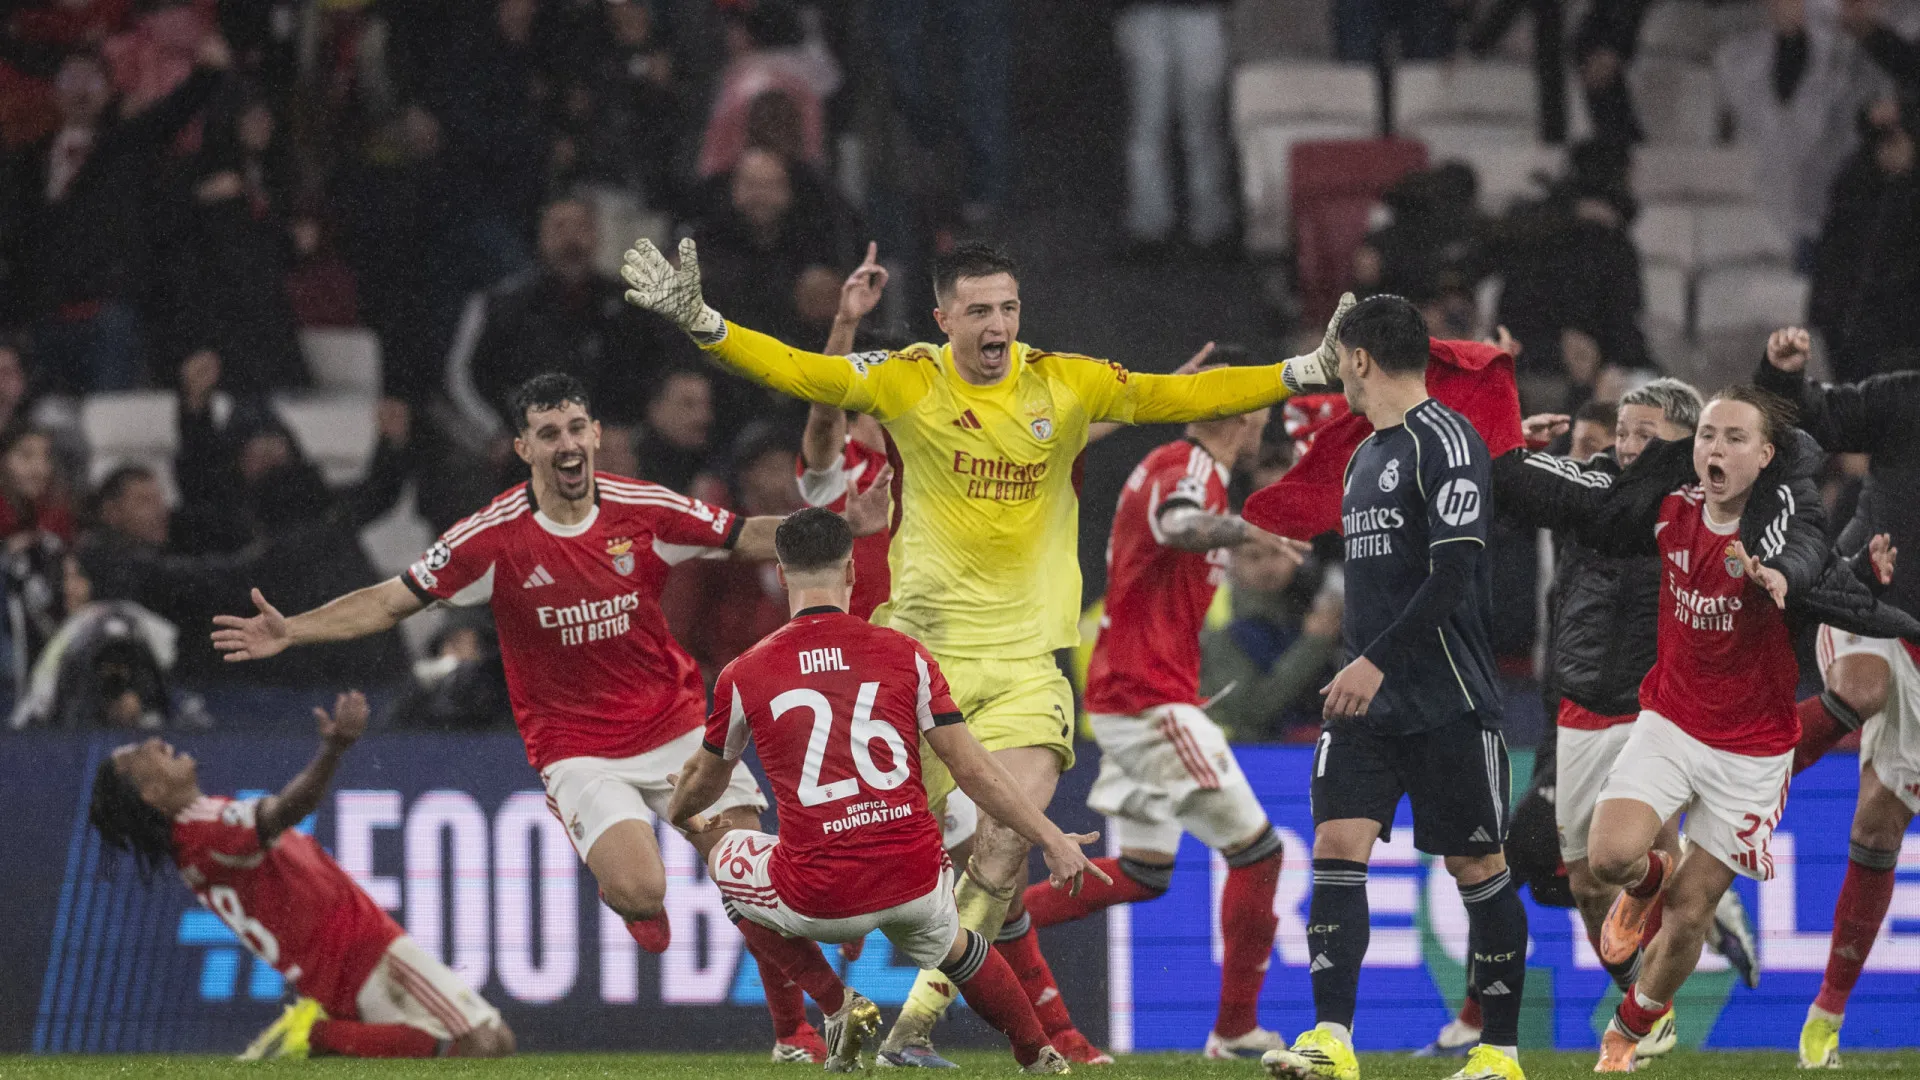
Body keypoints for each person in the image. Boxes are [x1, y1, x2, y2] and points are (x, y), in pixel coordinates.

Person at [622, 234, 1348, 1066]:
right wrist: (704, 323)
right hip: (914, 660)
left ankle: (921, 1025)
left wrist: (1304, 369)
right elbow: (799, 373)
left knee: (1004, 847)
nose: (998, 322)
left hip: (1027, 666)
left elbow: (1174, 393)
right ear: (943, 319)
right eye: (979, 310)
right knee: (878, 869)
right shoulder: (907, 381)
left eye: (1008, 306)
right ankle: (827, 1014)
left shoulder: (1062, 380)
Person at [208, 372, 891, 1061]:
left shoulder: (644, 509)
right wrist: (292, 630)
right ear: (524, 447)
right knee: (642, 890)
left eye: (574, 428)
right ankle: (636, 904)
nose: (566, 444)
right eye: (548, 433)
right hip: (577, 747)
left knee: (748, 871)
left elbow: (748, 536)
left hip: (675, 725)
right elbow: (390, 601)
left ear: (595, 435)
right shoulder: (491, 539)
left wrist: (841, 529)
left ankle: (794, 1035)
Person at [1489, 383, 1920, 1072]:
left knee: (1692, 913)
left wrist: (1818, 577)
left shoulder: (1784, 516)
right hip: (1669, 721)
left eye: (1733, 438)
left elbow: (1818, 564)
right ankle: (1651, 876)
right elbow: (1572, 500)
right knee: (1605, 861)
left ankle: (1629, 1032)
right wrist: (1497, 448)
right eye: (1707, 436)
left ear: (1765, 455)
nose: (1715, 449)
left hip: (1752, 752)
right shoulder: (1669, 506)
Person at [665, 507, 1100, 1074]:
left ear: (781, 570)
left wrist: (682, 816)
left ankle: (836, 1003)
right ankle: (1036, 1051)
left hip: (819, 894)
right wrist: (1049, 837)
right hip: (915, 878)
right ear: (850, 571)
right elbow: (973, 770)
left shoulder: (745, 673)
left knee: (726, 861)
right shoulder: (907, 654)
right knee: (962, 947)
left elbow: (706, 778)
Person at [1261, 295, 1527, 1080]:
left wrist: (1375, 659)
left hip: (1448, 694)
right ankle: (1332, 1041)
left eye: (1338, 359)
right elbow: (1377, 579)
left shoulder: (1446, 439)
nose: (1337, 372)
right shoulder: (1362, 453)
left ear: (1359, 359)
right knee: (1338, 850)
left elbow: (1454, 574)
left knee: (1476, 868)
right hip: (1367, 706)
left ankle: (1501, 1052)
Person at [1037, 394, 1300, 1059]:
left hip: (1137, 694)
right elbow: (1180, 523)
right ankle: (1237, 1028)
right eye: (1259, 421)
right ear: (1239, 417)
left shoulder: (1183, 465)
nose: (1257, 434)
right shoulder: (1188, 465)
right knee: (1260, 853)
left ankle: (983, 930)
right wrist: (1244, 530)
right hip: (1149, 699)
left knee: (1145, 873)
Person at [87, 692, 515, 1059]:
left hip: (346, 964)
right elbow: (287, 810)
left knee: (489, 1043)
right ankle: (315, 1038)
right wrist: (334, 749)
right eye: (145, 752)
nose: (159, 742)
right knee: (482, 1043)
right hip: (364, 953)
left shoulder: (193, 841)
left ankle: (326, 1040)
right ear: (152, 794)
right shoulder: (204, 830)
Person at [1755, 327, 1920, 1067]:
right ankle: (1741, 774)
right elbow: (1810, 414)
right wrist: (1781, 373)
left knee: (1880, 828)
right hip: (1862, 591)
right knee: (1861, 686)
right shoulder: (1903, 396)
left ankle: (1828, 1009)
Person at [1115, 0, 1234, 256]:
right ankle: (1148, 226)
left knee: (1203, 126)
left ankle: (1210, 224)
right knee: (1147, 125)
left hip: (1199, 12)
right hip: (1143, 13)